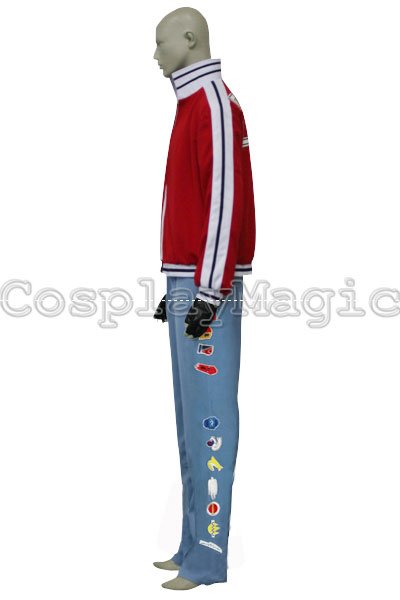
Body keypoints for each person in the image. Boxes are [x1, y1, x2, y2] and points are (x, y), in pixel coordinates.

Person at [152, 6, 256, 590]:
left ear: (190, 40)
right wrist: (175, 288)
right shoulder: (192, 103)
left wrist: (209, 292)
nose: (156, 55)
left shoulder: (213, 102)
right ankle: (191, 542)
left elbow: (224, 199)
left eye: (161, 43)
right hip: (187, 282)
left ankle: (209, 559)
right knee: (191, 423)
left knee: (211, 421)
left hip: (205, 286)